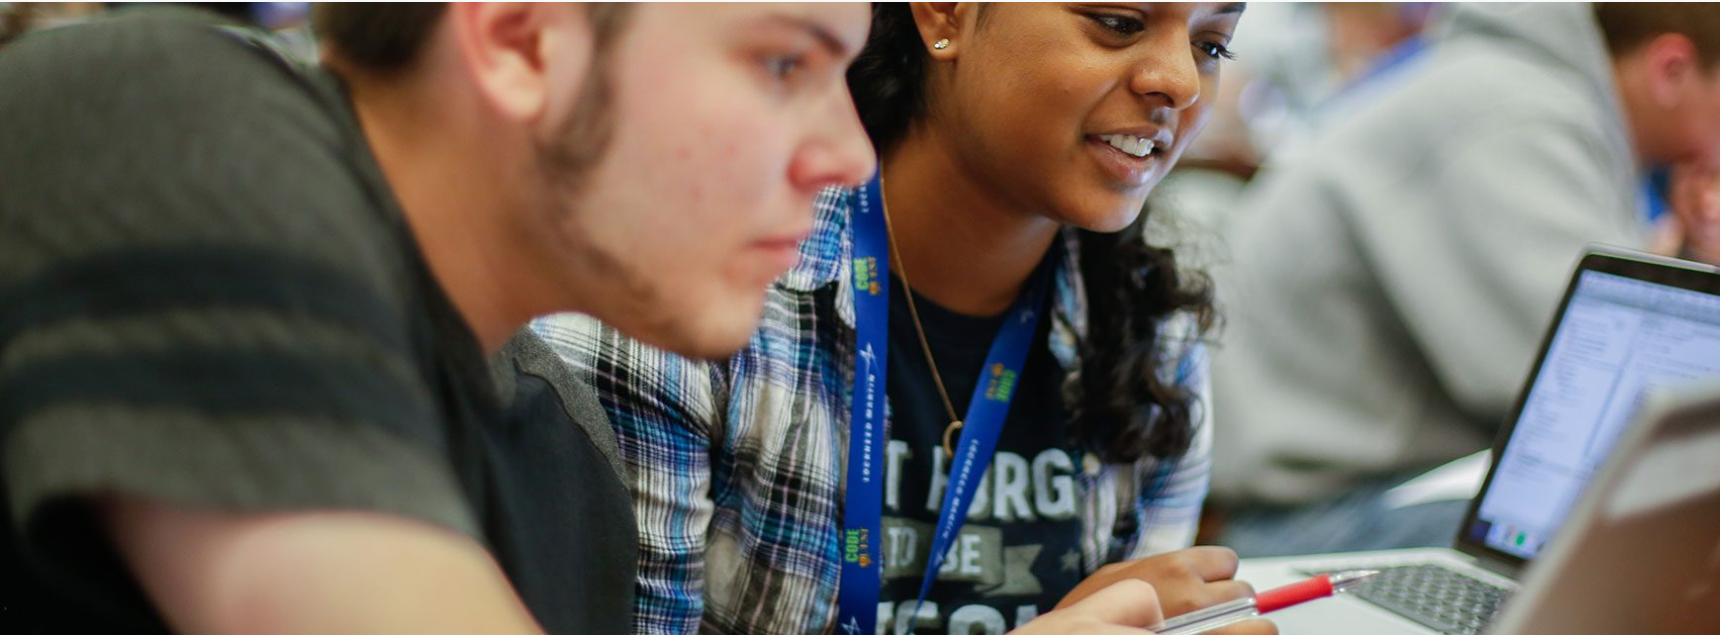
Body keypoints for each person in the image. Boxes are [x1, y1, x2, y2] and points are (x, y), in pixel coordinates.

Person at [0, 4, 1177, 635]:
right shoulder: (160, 120)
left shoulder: (566, 465)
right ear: (521, 38)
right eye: (781, 62)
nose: (845, 152)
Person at [535, 4, 1274, 635]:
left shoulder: (1149, 329)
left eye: (1210, 45)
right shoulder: (689, 294)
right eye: (1117, 23)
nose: (1178, 82)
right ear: (945, 13)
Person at [1205, 2, 1720, 555]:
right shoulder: (1511, 120)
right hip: (1310, 518)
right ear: (1671, 69)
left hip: (1370, 481)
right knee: (1702, 544)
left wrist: (1694, 254)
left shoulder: (1547, 98)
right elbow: (1580, 408)